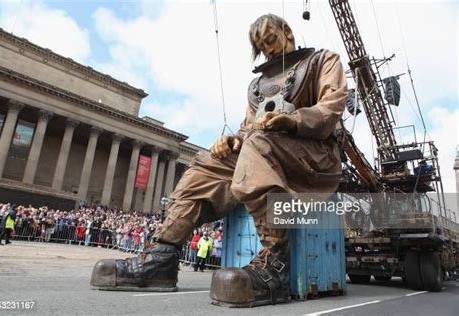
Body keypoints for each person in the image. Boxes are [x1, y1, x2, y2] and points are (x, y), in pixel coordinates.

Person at [91, 13, 347, 307]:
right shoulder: (257, 85)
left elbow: (331, 108)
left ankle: (275, 263)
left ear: (287, 32)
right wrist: (233, 141)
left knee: (258, 145)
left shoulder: (323, 61)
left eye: (271, 39)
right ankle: (160, 259)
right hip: (264, 151)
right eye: (262, 45)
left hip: (315, 160)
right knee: (204, 164)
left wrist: (291, 121)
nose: (268, 49)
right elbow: (249, 130)